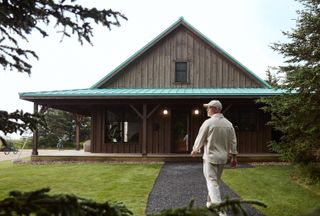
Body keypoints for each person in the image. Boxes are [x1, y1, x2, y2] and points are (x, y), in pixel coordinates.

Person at [191, 100, 237, 214]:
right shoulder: (228, 124)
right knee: (215, 182)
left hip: (210, 158)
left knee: (212, 182)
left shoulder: (208, 123)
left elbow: (200, 136)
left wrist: (195, 149)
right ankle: (210, 203)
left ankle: (221, 210)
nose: (207, 109)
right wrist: (234, 156)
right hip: (222, 158)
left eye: (209, 107)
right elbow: (233, 141)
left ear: (216, 109)